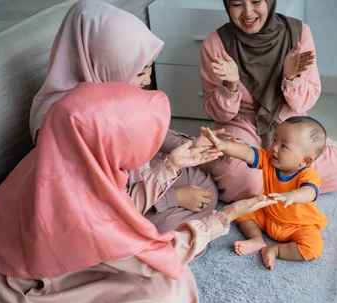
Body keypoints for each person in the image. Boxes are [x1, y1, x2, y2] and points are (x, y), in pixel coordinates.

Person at [0, 82, 276, 303]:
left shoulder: (59, 154)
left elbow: (115, 210)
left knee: (164, 279)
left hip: (3, 281)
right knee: (166, 293)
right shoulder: (76, 204)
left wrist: (172, 166)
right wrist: (222, 219)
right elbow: (151, 255)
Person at [29, 0, 216, 232]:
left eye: (150, 68)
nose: (147, 81)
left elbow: (149, 136)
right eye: (139, 72)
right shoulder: (66, 121)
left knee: (206, 183)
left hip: (136, 179)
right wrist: (174, 198)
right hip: (111, 203)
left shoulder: (110, 93)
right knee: (161, 228)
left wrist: (189, 144)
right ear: (105, 65)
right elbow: (101, 203)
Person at [199, 0, 337, 203]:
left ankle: (267, 185)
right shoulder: (215, 43)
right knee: (240, 179)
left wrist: (291, 78)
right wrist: (230, 84)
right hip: (240, 122)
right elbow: (217, 114)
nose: (248, 12)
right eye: (237, 3)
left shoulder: (298, 33)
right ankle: (287, 184)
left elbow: (304, 104)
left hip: (288, 121)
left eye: (256, 1)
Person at [201, 116, 328, 270]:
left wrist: (291, 196)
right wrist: (224, 145)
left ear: (305, 161)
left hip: (298, 226)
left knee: (314, 247)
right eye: (275, 139)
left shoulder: (307, 175)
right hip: (268, 216)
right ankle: (256, 239)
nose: (274, 147)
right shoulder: (269, 159)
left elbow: (309, 192)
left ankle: (275, 250)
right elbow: (248, 152)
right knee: (241, 211)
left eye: (284, 146)